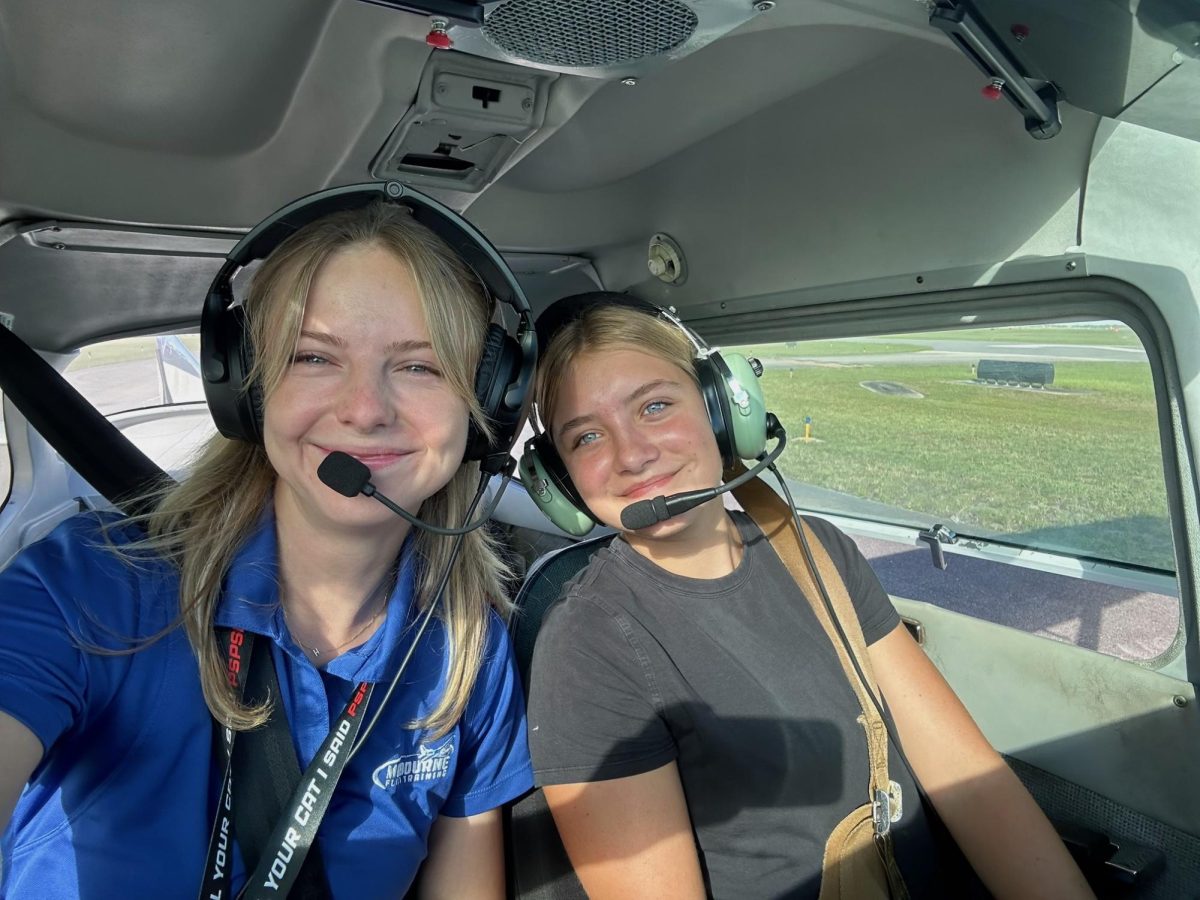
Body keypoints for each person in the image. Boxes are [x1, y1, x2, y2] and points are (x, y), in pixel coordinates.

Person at [0, 194, 534, 898]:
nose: (366, 409)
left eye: (421, 366)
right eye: (314, 357)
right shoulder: (95, 585)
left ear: (486, 407)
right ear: (246, 389)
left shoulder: (469, 646)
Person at [521, 292, 1093, 899]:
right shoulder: (587, 645)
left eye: (656, 406)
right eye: (585, 438)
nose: (632, 455)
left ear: (723, 409)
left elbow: (969, 779)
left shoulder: (814, 549)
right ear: (560, 481)